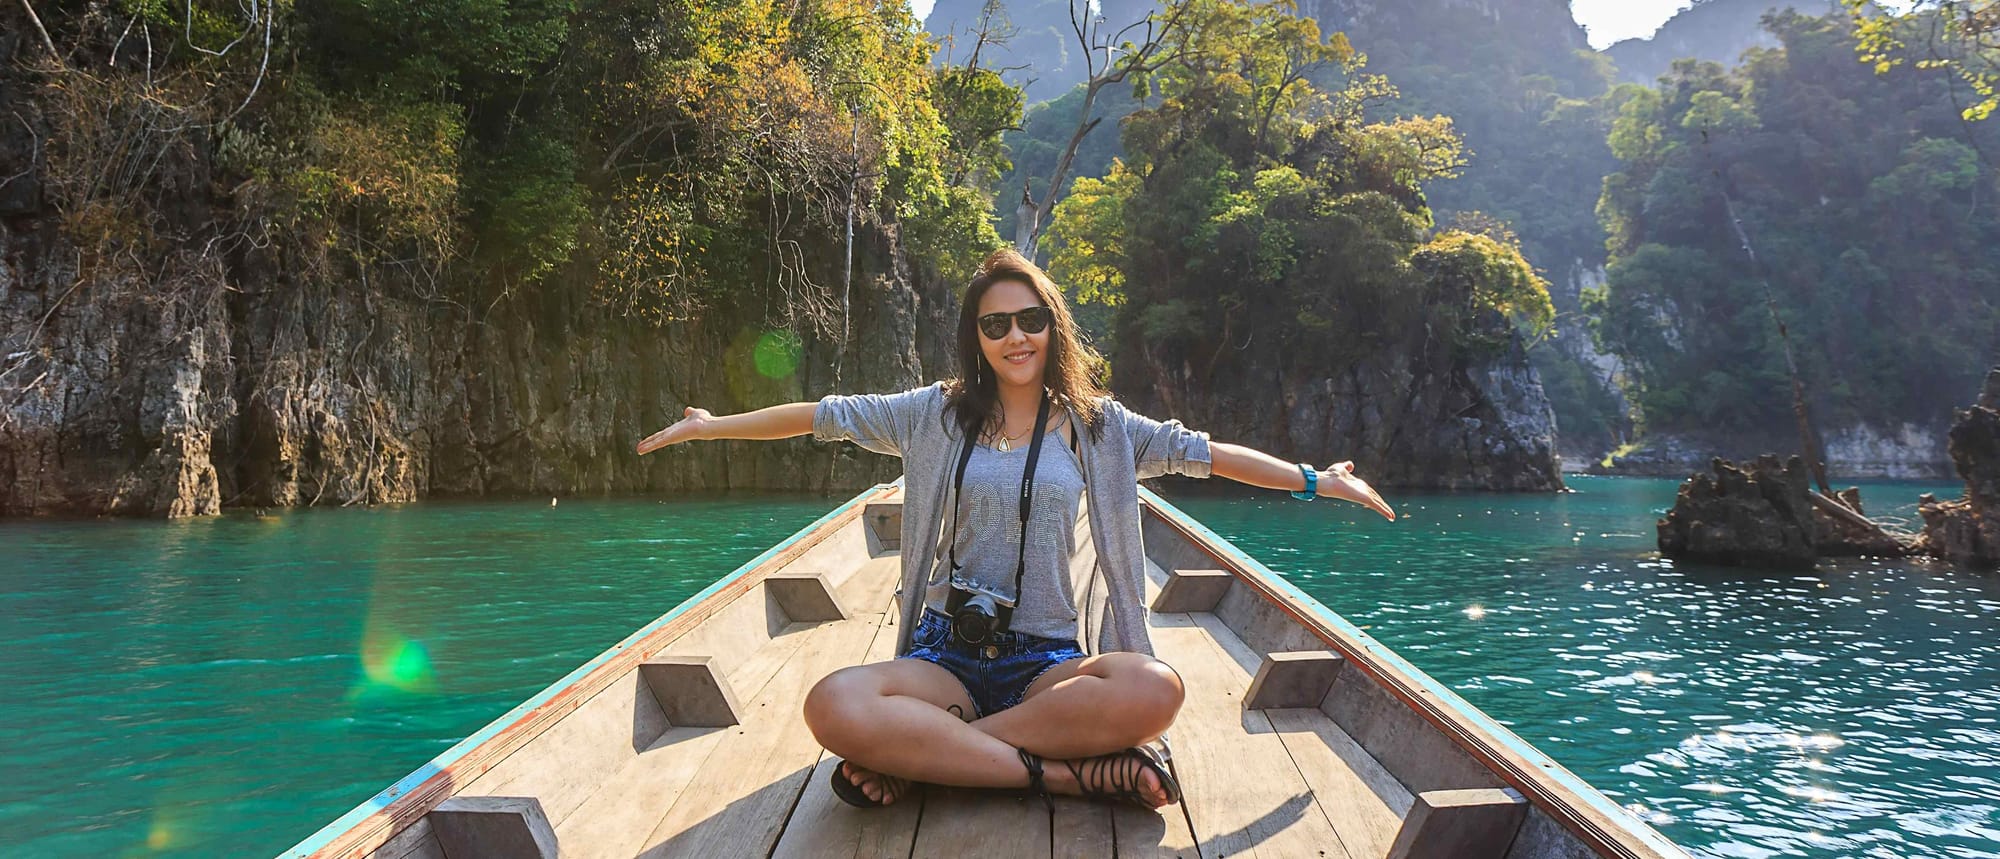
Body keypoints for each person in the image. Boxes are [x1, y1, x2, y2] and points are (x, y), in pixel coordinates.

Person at [635, 247, 1395, 811]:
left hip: (1046, 662)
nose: (1015, 336)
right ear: (978, 335)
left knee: (1152, 687)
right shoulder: (932, 413)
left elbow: (1207, 455)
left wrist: (1315, 480)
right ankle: (1058, 772)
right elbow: (820, 415)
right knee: (831, 704)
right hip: (947, 656)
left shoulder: (1103, 429)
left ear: (1051, 325)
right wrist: (710, 427)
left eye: (1030, 319)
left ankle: (933, 755)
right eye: (995, 323)